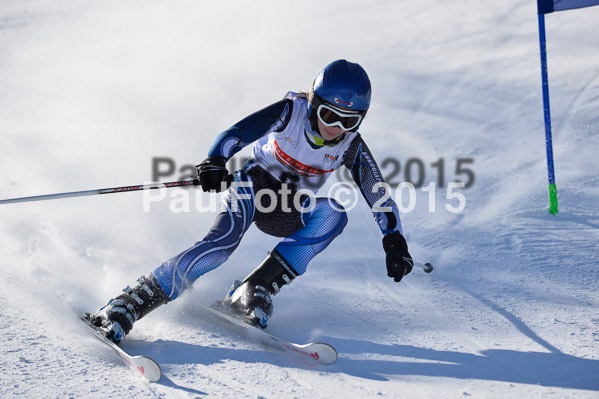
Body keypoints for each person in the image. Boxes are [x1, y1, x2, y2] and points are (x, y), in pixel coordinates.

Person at [86, 59, 414, 344]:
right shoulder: (291, 113)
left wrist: (394, 238)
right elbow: (237, 133)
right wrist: (215, 160)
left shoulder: (350, 146)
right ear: (315, 103)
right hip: (254, 186)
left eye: (349, 121)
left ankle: (255, 287)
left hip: (289, 206)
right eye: (329, 115)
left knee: (334, 214)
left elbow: (376, 189)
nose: (336, 128)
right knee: (221, 246)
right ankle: (130, 302)